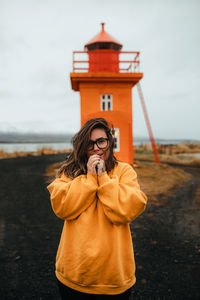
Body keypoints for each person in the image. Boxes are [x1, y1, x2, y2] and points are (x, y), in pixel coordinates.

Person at [47, 118, 147, 299]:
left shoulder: (124, 171)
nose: (96, 148)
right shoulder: (68, 172)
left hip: (114, 278)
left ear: (110, 142)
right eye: (90, 143)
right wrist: (90, 178)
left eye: (101, 141)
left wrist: (103, 178)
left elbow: (124, 210)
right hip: (74, 275)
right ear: (82, 146)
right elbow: (63, 208)